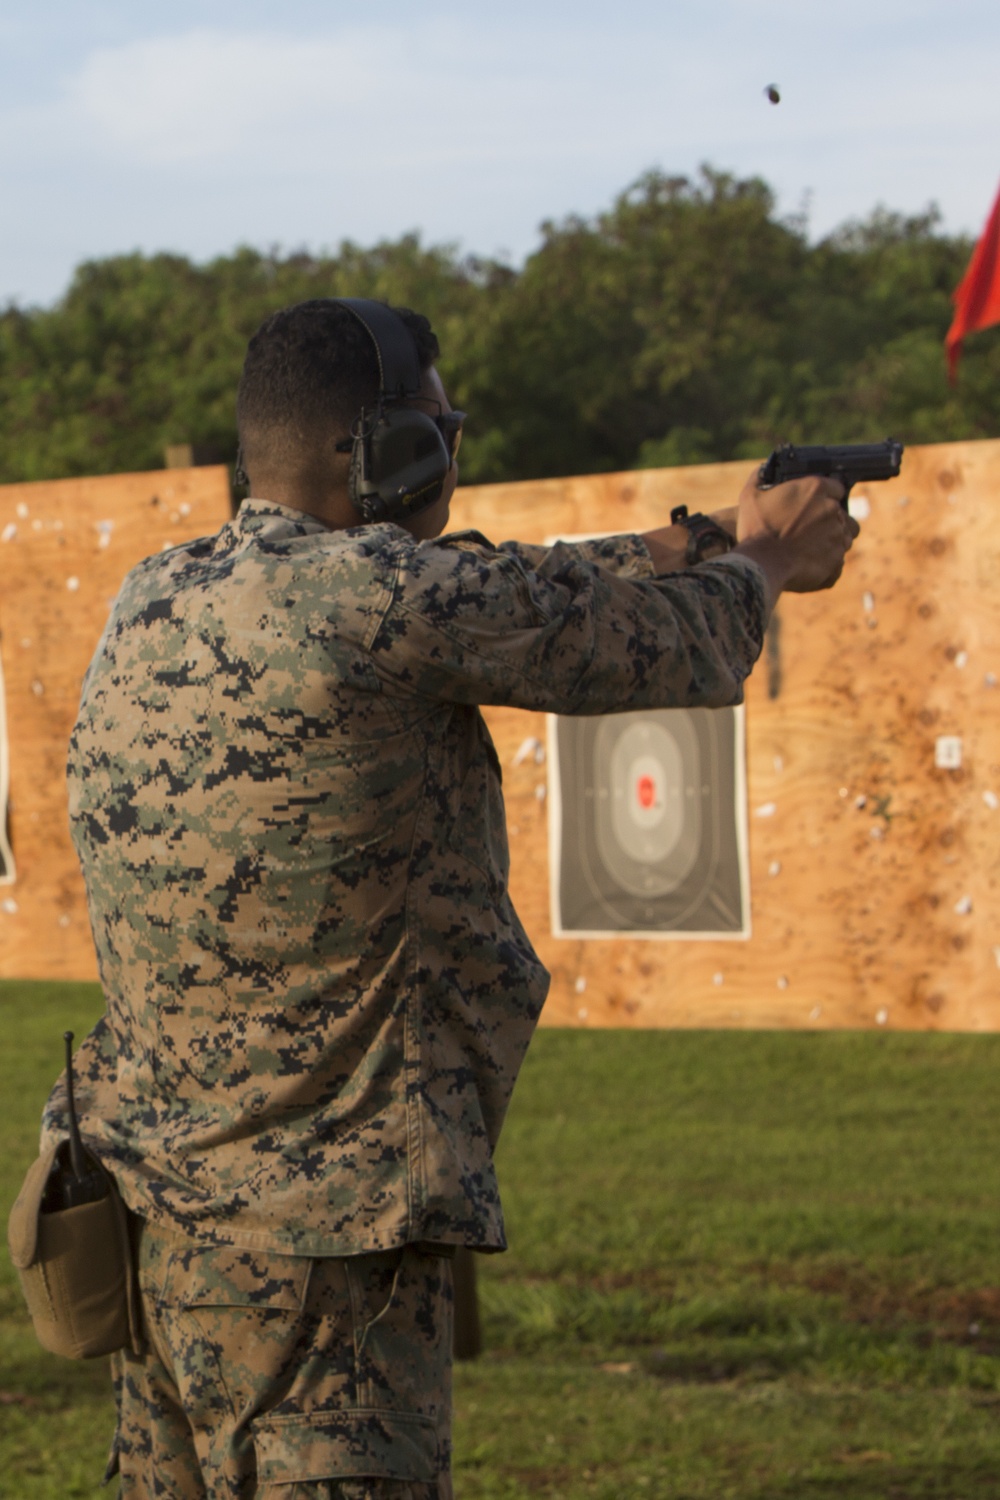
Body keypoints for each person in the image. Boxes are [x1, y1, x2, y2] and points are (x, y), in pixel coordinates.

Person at [42, 298, 856, 1499]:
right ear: (379, 448)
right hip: (328, 1251)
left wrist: (685, 539)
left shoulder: (157, 593)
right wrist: (766, 558)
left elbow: (495, 585)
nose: (450, 445)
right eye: (437, 425)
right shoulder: (378, 603)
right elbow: (668, 650)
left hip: (164, 1228)